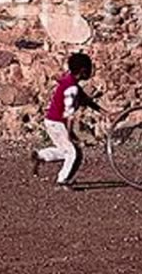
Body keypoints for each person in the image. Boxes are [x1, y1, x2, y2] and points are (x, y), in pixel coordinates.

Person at [31, 52, 101, 188]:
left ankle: (41, 155)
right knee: (72, 152)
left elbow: (86, 100)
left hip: (53, 121)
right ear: (83, 71)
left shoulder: (71, 82)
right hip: (57, 123)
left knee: (70, 151)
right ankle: (62, 180)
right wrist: (69, 133)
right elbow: (68, 114)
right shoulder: (72, 88)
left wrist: (106, 113)